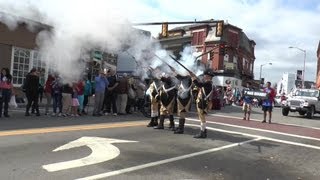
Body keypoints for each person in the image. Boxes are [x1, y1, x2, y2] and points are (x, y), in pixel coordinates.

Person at [191, 69, 214, 138]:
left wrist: (193, 77)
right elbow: (200, 84)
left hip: (202, 103)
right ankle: (204, 131)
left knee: (202, 119)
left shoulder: (208, 83)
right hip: (202, 102)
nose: (204, 76)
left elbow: (198, 84)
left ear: (208, 76)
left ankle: (202, 133)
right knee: (202, 118)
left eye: (205, 75)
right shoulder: (208, 83)